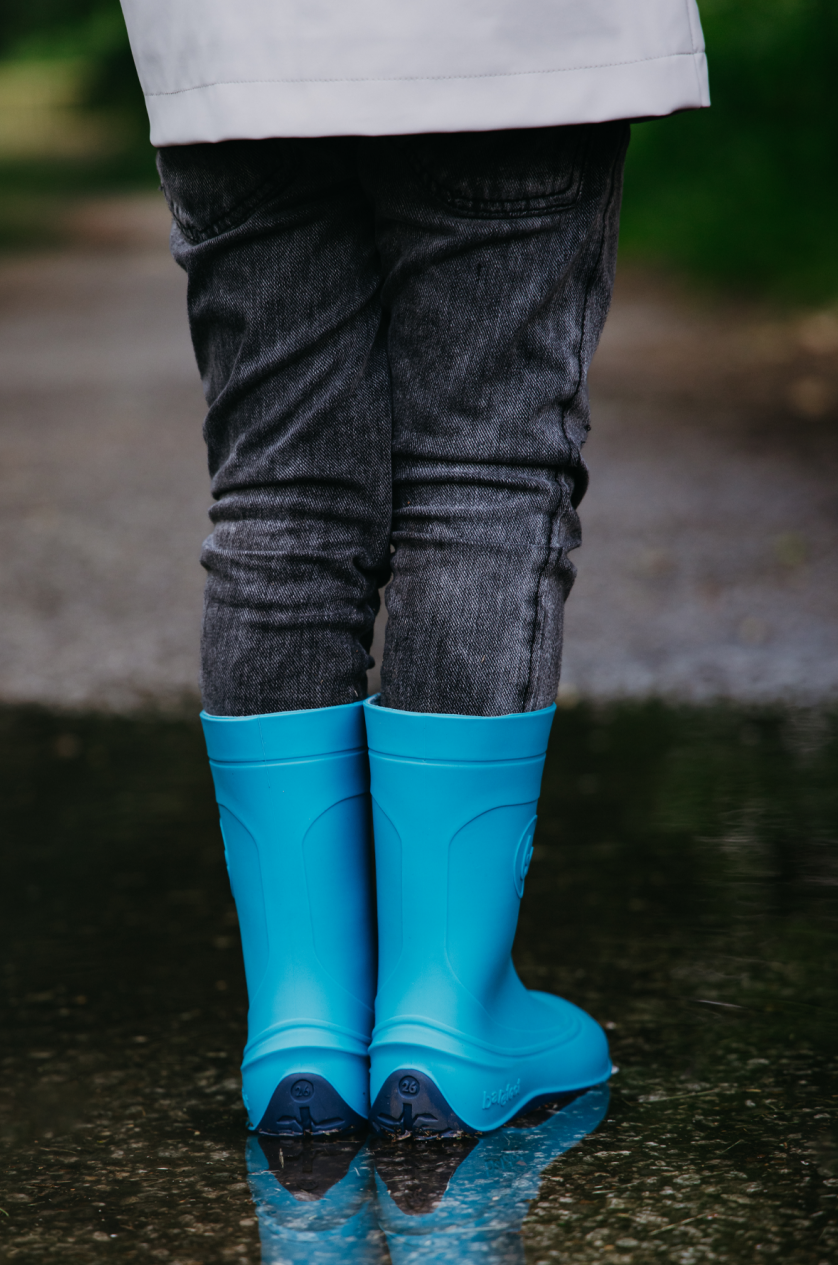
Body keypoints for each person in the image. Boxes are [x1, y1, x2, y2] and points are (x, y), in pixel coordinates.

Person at [118, 0, 709, 1138]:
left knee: (278, 486)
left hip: (240, 39)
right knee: (484, 467)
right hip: (496, 36)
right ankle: (444, 1017)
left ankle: (302, 1023)